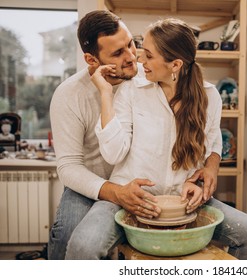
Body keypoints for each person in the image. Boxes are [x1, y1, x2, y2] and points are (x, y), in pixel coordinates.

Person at [48, 10, 221, 260]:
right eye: (117, 53)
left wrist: (212, 165)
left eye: (131, 44)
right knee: (68, 237)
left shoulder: (150, 72)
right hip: (93, 181)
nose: (132, 57)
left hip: (142, 182)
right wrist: (116, 192)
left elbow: (208, 128)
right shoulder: (69, 96)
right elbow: (68, 166)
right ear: (91, 59)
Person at [91, 18, 247, 260]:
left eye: (149, 56)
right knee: (84, 246)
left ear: (175, 65)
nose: (140, 60)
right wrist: (105, 94)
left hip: (185, 201)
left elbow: (213, 143)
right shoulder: (133, 89)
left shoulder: (210, 96)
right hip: (129, 198)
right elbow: (113, 153)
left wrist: (210, 171)